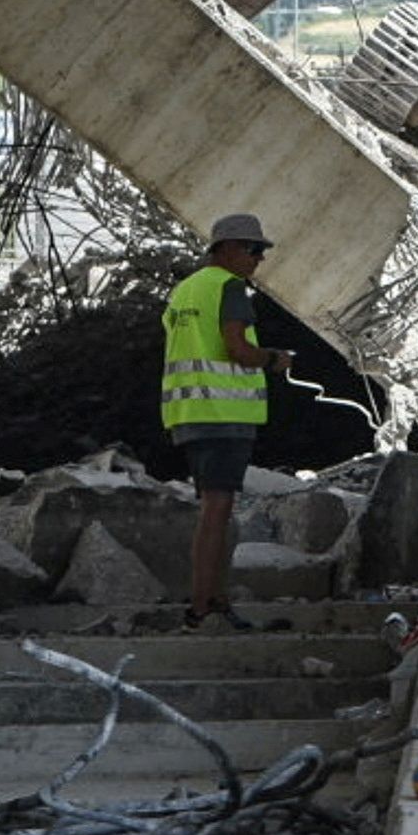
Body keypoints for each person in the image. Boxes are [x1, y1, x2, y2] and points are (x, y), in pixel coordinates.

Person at [160, 212, 289, 625]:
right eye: (254, 249)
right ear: (227, 248)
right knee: (217, 509)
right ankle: (204, 605)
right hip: (223, 413)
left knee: (211, 506)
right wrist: (273, 359)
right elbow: (237, 349)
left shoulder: (184, 290)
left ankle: (209, 600)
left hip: (187, 413)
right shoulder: (231, 288)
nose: (258, 259)